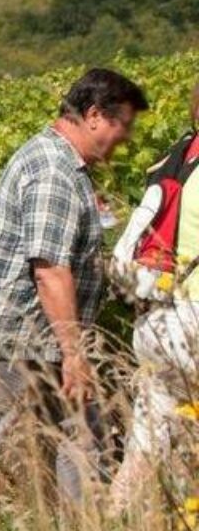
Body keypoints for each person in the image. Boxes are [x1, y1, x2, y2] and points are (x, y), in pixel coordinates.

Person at [0, 68, 146, 506]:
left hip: (39, 343)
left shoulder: (62, 165)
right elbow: (49, 270)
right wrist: (74, 354)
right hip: (12, 342)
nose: (127, 138)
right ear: (96, 115)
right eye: (124, 126)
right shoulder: (53, 171)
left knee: (86, 435)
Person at [113, 78, 199, 509]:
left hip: (156, 318)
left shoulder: (180, 157)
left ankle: (117, 524)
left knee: (148, 439)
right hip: (194, 320)